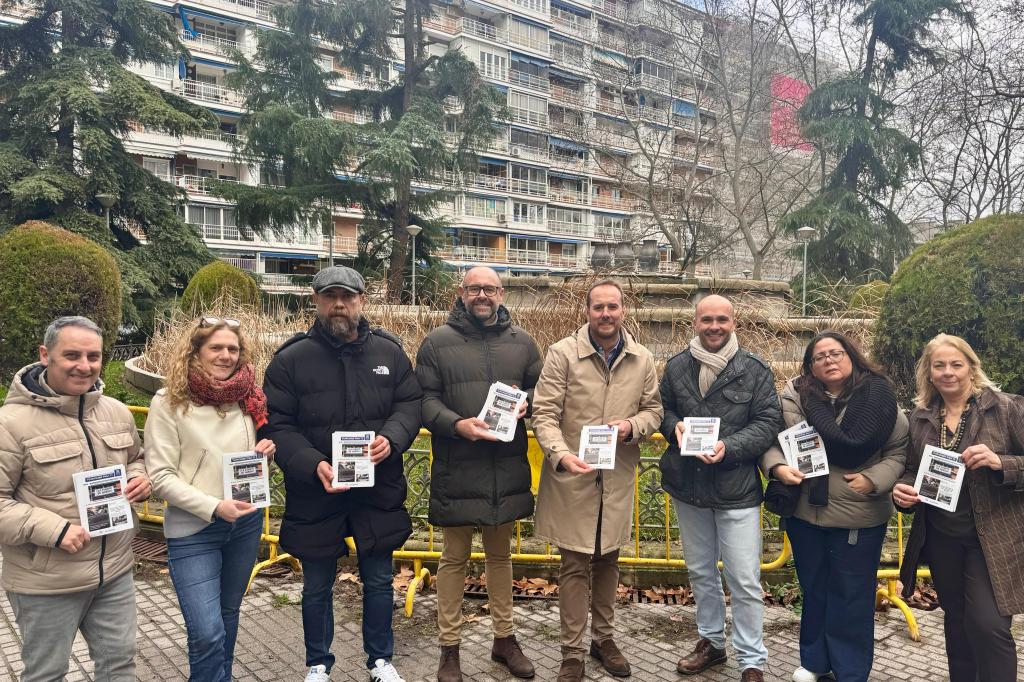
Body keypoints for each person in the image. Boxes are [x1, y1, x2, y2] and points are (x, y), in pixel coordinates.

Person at [262, 266, 422, 682]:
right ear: (315, 300)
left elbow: (410, 405)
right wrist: (312, 463)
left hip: (377, 489)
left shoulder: (389, 353)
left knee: (379, 580)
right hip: (317, 491)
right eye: (330, 296)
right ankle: (318, 663)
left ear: (362, 300)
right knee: (316, 585)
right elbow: (277, 424)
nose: (339, 304)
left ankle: (380, 661)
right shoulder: (291, 359)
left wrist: (392, 438)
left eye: (347, 296)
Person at [0, 316, 151, 682]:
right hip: (47, 580)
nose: (84, 366)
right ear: (45, 355)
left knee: (119, 666)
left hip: (113, 572)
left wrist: (140, 479)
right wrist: (53, 529)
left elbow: (136, 458)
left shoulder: (115, 411)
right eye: (72, 355)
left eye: (93, 356)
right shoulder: (10, 423)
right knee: (47, 673)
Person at [532, 279, 663, 682]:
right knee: (573, 564)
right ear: (587, 311)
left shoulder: (642, 359)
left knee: (609, 561)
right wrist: (561, 454)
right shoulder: (562, 354)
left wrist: (631, 426)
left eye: (613, 307)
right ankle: (572, 651)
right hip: (574, 476)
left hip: (617, 476)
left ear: (624, 311)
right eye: (598, 307)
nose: (606, 314)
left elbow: (654, 411)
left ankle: (603, 638)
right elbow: (544, 413)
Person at [416, 267, 542, 682]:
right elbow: (424, 401)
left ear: (502, 293)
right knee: (453, 559)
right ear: (462, 293)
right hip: (458, 465)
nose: (482, 295)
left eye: (489, 288)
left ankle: (504, 639)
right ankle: (448, 648)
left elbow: (543, 394)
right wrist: (457, 424)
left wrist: (529, 404)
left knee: (500, 558)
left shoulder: (522, 343)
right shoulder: (437, 342)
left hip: (505, 468)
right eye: (475, 288)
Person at [760, 332, 907, 682]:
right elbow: (772, 439)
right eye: (819, 356)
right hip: (806, 510)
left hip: (858, 510)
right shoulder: (794, 397)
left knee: (852, 594)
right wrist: (777, 467)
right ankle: (814, 661)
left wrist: (873, 480)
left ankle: (850, 670)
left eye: (835, 353)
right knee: (814, 589)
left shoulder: (879, 397)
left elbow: (898, 451)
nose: (828, 360)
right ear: (810, 366)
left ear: (852, 356)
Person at [144, 316, 277, 681]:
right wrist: (214, 506)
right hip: (194, 529)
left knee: (227, 616)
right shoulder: (168, 401)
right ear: (195, 352)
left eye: (232, 349)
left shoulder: (247, 397)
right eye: (215, 348)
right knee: (206, 631)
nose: (225, 356)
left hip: (245, 522)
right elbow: (160, 476)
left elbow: (244, 461)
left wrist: (264, 453)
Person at [658, 295, 779, 682]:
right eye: (707, 319)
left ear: (733, 322)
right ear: (694, 322)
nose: (714, 326)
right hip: (688, 487)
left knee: (744, 578)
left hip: (736, 489)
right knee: (701, 573)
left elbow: (767, 421)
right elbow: (663, 409)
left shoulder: (754, 369)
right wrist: (672, 427)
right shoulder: (677, 366)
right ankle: (711, 642)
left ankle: (752, 659)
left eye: (721, 319)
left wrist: (731, 449)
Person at [893, 334, 1024, 682]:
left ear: (971, 367)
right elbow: (911, 468)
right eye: (939, 365)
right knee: (957, 620)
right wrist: (902, 491)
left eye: (956, 364)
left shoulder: (1007, 407)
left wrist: (1001, 462)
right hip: (941, 537)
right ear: (929, 372)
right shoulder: (921, 417)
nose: (948, 372)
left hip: (993, 538)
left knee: (989, 624)